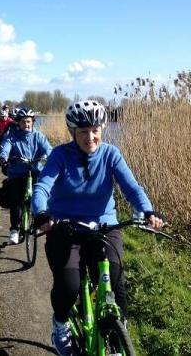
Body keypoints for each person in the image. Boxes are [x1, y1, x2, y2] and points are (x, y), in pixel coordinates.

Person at [31, 100, 164, 356]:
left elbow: (132, 187)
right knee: (69, 285)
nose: (90, 137)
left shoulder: (111, 154)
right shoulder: (60, 155)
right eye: (82, 131)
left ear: (102, 128)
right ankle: (60, 325)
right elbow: (42, 187)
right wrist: (41, 213)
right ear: (73, 132)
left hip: (105, 226)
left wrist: (147, 210)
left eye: (95, 130)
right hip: (66, 229)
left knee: (115, 281)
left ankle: (117, 333)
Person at [0, 107, 52, 244]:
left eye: (28, 121)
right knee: (16, 199)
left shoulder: (38, 136)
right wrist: (3, 159)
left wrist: (51, 158)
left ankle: (39, 222)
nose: (26, 125)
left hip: (35, 171)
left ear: (32, 122)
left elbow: (48, 149)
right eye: (23, 122)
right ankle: (14, 229)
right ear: (18, 123)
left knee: (40, 195)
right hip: (17, 172)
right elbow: (5, 147)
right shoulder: (12, 137)